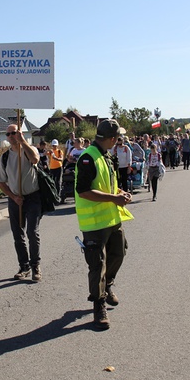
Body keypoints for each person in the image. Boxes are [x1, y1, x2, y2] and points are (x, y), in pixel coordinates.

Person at [75, 119, 133, 330]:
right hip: (94, 223)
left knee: (119, 253)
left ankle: (107, 285)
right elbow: (83, 191)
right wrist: (113, 198)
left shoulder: (107, 156)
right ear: (111, 138)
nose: (119, 141)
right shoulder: (88, 157)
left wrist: (119, 193)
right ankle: (98, 306)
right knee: (97, 264)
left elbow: (108, 186)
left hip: (112, 218)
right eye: (117, 138)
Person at [0, 124, 43, 281]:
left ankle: (35, 265)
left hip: (33, 197)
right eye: (8, 134)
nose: (10, 136)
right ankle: (24, 266)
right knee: (18, 234)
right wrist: (13, 197)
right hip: (15, 199)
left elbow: (35, 159)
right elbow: (1, 182)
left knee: (32, 232)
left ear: (20, 133)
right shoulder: (5, 157)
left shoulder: (30, 150)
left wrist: (23, 143)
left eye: (13, 133)